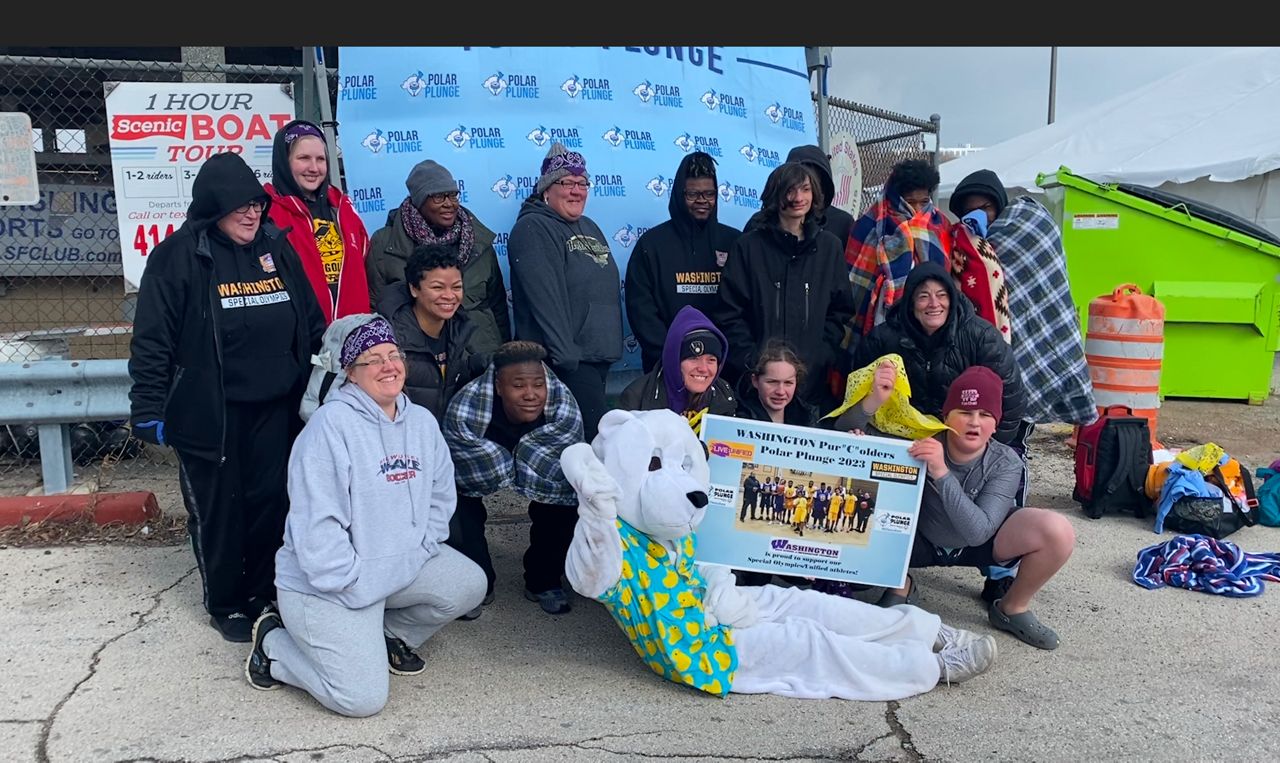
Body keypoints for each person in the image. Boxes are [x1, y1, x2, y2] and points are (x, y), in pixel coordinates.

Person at [243, 317, 486, 715]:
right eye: (372, 360)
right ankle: (273, 647)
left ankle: (388, 636)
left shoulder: (422, 423)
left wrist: (421, 546)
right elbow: (317, 529)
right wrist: (352, 584)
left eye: (394, 355)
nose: (388, 366)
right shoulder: (328, 428)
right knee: (361, 700)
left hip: (390, 570)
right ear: (350, 375)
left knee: (469, 583)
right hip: (331, 583)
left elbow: (442, 496)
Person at [128, 152, 325, 642]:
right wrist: (148, 406)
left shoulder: (277, 248)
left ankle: (261, 592)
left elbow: (312, 321)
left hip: (277, 408)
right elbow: (153, 339)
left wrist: (322, 387)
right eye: (239, 207)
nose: (251, 214)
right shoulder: (178, 257)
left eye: (257, 205)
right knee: (220, 510)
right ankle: (226, 601)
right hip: (209, 411)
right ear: (213, 207)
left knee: (269, 503)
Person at [876, 366, 1075, 651]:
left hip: (980, 542)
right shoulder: (921, 442)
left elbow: (978, 532)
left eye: (985, 415)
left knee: (1058, 530)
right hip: (919, 540)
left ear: (996, 424)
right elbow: (848, 433)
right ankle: (899, 585)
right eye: (965, 412)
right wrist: (868, 414)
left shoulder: (1006, 461)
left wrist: (942, 474)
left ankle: (1011, 606)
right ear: (946, 417)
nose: (974, 422)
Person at [950, 169, 1097, 459]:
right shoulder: (966, 248)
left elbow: (1048, 284)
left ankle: (1012, 487)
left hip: (1047, 332)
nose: (981, 216)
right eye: (970, 211)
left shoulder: (1031, 224)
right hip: (1003, 349)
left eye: (986, 208)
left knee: (1016, 436)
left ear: (999, 203)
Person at [442, 341, 585, 616]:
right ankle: (477, 583)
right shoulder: (467, 409)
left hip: (541, 465)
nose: (531, 394)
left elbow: (569, 462)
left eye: (538, 385)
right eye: (518, 386)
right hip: (483, 456)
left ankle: (544, 581)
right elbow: (458, 465)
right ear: (498, 386)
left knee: (563, 504)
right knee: (459, 507)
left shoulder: (562, 407)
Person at [713, 162, 853, 406]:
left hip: (812, 384)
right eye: (790, 190)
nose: (798, 198)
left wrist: (819, 355)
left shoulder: (829, 247)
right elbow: (729, 312)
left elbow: (840, 311)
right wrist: (754, 360)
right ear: (775, 195)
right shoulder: (748, 247)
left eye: (805, 189)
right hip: (756, 385)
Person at [508, 143, 621, 443]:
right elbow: (544, 297)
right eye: (566, 183)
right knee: (594, 447)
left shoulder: (590, 226)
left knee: (594, 446)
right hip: (568, 363)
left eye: (582, 183)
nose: (576, 191)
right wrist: (566, 356)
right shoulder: (533, 228)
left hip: (598, 358)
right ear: (546, 188)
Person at [848, 261, 1026, 447]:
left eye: (942, 295)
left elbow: (1012, 399)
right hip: (901, 440)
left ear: (952, 299)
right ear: (911, 303)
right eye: (924, 296)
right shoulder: (881, 339)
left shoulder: (982, 337)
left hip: (963, 442)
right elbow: (855, 396)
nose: (934, 304)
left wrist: (985, 451)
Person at [366, 159, 510, 354]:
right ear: (419, 200)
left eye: (453, 195)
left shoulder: (477, 240)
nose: (449, 204)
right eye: (438, 197)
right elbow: (375, 307)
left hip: (479, 353)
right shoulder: (386, 244)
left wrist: (503, 354)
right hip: (418, 358)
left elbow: (497, 305)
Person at [625, 151, 742, 372]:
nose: (702, 201)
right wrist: (671, 356)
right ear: (679, 195)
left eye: (709, 194)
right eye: (693, 194)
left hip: (725, 368)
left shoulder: (734, 242)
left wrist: (726, 355)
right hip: (667, 368)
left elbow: (743, 308)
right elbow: (641, 310)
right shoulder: (652, 244)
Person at [264, 119, 371, 324]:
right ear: (284, 161)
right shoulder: (268, 212)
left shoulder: (343, 208)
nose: (314, 168)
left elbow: (365, 263)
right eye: (303, 158)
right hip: (300, 336)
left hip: (352, 334)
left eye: (320, 159)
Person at [845, 158, 953, 343]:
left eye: (924, 201)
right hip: (881, 323)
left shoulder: (940, 224)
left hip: (932, 318)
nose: (917, 209)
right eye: (910, 202)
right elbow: (855, 287)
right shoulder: (869, 225)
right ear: (896, 198)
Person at [376, 244, 487, 421]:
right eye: (438, 288)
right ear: (414, 289)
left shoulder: (460, 328)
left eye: (457, 287)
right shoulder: (387, 339)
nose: (449, 296)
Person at [617, 305, 737, 433]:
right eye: (693, 358)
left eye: (711, 360)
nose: (703, 368)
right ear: (674, 360)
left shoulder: (723, 393)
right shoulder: (637, 396)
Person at [735, 339, 819, 427]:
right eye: (772, 382)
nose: (780, 392)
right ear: (755, 381)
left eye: (788, 383)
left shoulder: (808, 419)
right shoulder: (738, 420)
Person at [786, 144, 856, 246]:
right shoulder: (770, 223)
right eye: (792, 187)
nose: (799, 197)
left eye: (806, 188)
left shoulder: (842, 223)